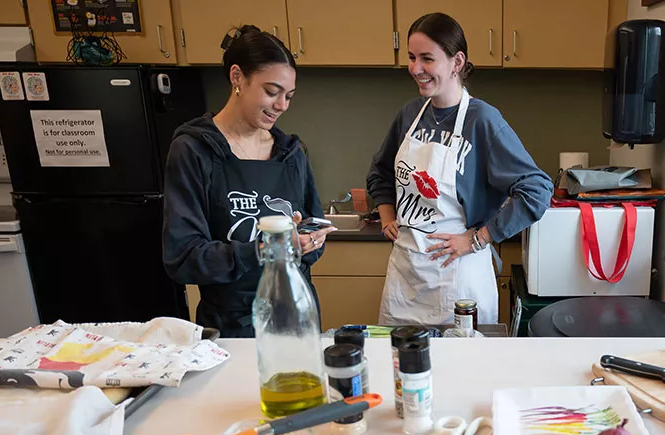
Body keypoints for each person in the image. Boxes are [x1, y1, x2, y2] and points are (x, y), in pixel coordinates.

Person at [366, 13, 553, 326]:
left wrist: (478, 239)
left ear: (456, 62)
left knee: (463, 369)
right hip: (405, 277)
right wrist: (387, 217)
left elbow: (536, 190)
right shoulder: (410, 114)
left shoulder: (483, 120)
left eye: (427, 58)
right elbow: (380, 171)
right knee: (401, 369)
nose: (415, 69)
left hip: (459, 278)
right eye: (412, 58)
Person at [162, 25, 335, 338]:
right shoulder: (194, 150)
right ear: (237, 77)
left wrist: (308, 242)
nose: (282, 105)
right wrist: (267, 248)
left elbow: (312, 232)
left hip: (297, 319)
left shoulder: (291, 153)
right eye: (271, 92)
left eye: (289, 96)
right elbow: (183, 258)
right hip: (231, 328)